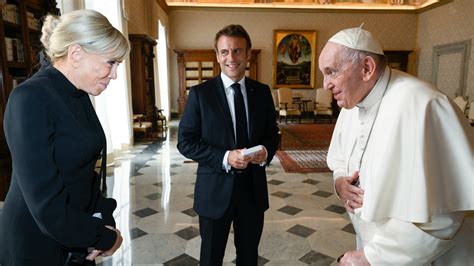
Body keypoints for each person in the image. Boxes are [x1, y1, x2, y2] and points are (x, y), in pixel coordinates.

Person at [320, 26, 474, 265]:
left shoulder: (425, 105)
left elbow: (445, 217)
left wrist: (374, 257)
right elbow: (339, 158)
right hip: (370, 247)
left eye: (331, 72)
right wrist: (340, 182)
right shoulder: (353, 102)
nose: (325, 85)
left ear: (367, 68)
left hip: (423, 257)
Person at [0, 9, 130, 265]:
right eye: (110, 62)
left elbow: (84, 171)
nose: (114, 74)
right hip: (35, 243)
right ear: (76, 53)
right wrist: (102, 238)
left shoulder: (79, 95)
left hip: (74, 232)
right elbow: (46, 207)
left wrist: (104, 218)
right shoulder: (29, 99)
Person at [177, 24, 279, 265]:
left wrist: (265, 151)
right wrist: (225, 157)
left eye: (237, 51)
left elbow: (272, 134)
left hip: (252, 192)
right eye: (224, 52)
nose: (231, 58)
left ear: (248, 54)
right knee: (211, 258)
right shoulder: (201, 94)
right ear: (217, 55)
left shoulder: (262, 92)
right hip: (214, 192)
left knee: (248, 257)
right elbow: (186, 142)